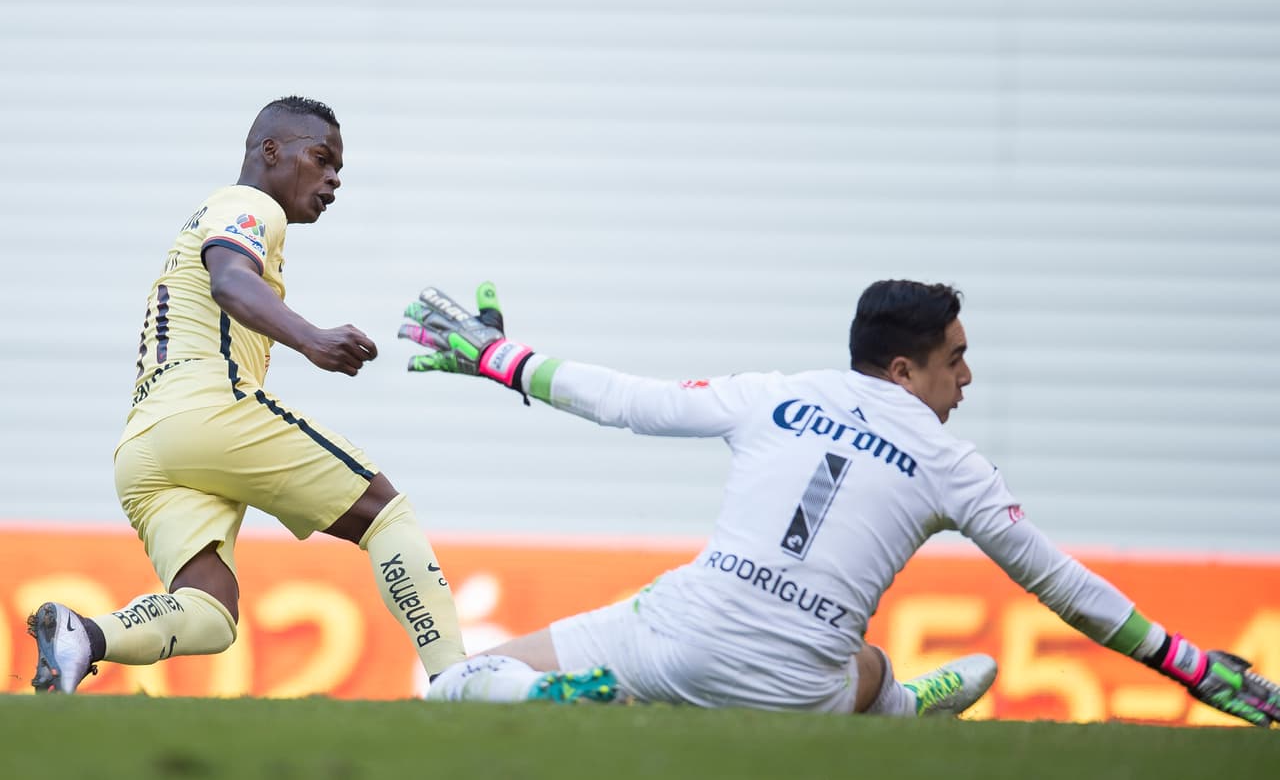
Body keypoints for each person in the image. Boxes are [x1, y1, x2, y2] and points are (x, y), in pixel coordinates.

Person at [396, 280, 1280, 725]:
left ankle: (555, 698)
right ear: (904, 369)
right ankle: (901, 703)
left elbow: (631, 400)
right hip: (789, 692)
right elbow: (1059, 582)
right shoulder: (952, 461)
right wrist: (1191, 667)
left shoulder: (773, 393)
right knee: (857, 668)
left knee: (455, 684)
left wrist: (497, 358)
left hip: (668, 640)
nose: (967, 377)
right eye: (955, 358)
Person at [27, 96, 468, 695]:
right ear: (270, 151)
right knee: (384, 513)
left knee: (210, 612)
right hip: (206, 409)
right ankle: (460, 680)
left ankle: (84, 637)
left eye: (340, 168)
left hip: (141, 447)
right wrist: (310, 338)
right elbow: (231, 280)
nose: (334, 178)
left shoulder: (206, 220)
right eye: (321, 158)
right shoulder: (249, 204)